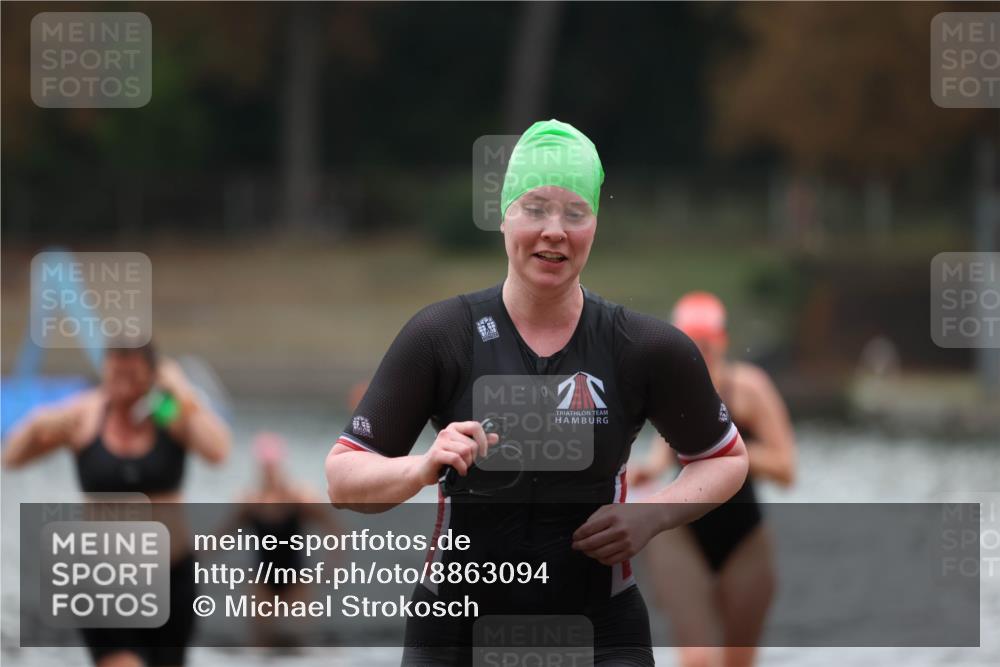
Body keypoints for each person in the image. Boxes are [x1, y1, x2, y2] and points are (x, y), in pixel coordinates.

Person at [324, 120, 749, 666]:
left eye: (575, 213)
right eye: (535, 209)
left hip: (600, 632)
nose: (555, 231)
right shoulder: (442, 336)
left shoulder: (641, 347)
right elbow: (342, 478)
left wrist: (653, 515)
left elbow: (725, 458)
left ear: (595, 226)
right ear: (504, 217)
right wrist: (422, 466)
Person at [2, 341, 231, 667]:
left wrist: (181, 390)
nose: (122, 386)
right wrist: (37, 426)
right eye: (115, 374)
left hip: (170, 576)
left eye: (132, 376)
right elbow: (12, 457)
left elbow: (218, 450)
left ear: (152, 375)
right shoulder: (87, 413)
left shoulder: (166, 411)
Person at [629, 292, 796, 667]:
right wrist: (646, 472)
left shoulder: (749, 388)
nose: (699, 357)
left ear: (722, 343)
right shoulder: (672, 390)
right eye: (690, 347)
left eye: (706, 347)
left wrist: (728, 454)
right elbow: (661, 454)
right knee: (699, 658)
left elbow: (786, 467)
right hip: (682, 536)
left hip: (745, 537)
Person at [229, 432, 342, 646]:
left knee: (301, 639)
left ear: (280, 465)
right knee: (259, 640)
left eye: (272, 466)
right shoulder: (250, 502)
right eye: (265, 467)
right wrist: (195, 556)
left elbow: (335, 529)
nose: (269, 471)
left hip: (296, 577)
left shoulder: (299, 498)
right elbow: (223, 536)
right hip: (263, 578)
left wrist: (332, 566)